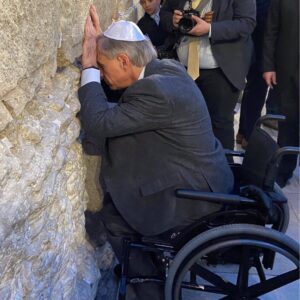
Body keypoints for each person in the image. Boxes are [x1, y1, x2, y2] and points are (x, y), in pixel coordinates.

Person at [79, 5, 233, 299]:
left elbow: (98, 122)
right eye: (98, 68)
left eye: (103, 66)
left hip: (196, 199)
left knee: (115, 217)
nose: (102, 73)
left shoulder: (157, 91)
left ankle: (149, 287)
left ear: (124, 60)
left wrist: (87, 67)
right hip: (204, 177)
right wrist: (103, 46)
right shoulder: (165, 69)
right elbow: (123, 98)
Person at [160, 0, 256, 151]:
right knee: (183, 123)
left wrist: (210, 29)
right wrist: (172, 21)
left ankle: (224, 171)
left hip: (220, 70)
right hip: (182, 69)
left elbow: (247, 23)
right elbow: (164, 12)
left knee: (220, 125)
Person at [262, 0, 299, 188]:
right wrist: (268, 66)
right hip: (288, 71)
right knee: (288, 125)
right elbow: (271, 31)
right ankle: (284, 171)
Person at [236, 0, 274, 149]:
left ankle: (245, 131)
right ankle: (248, 133)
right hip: (262, 23)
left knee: (255, 82)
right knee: (258, 80)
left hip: (257, 21)